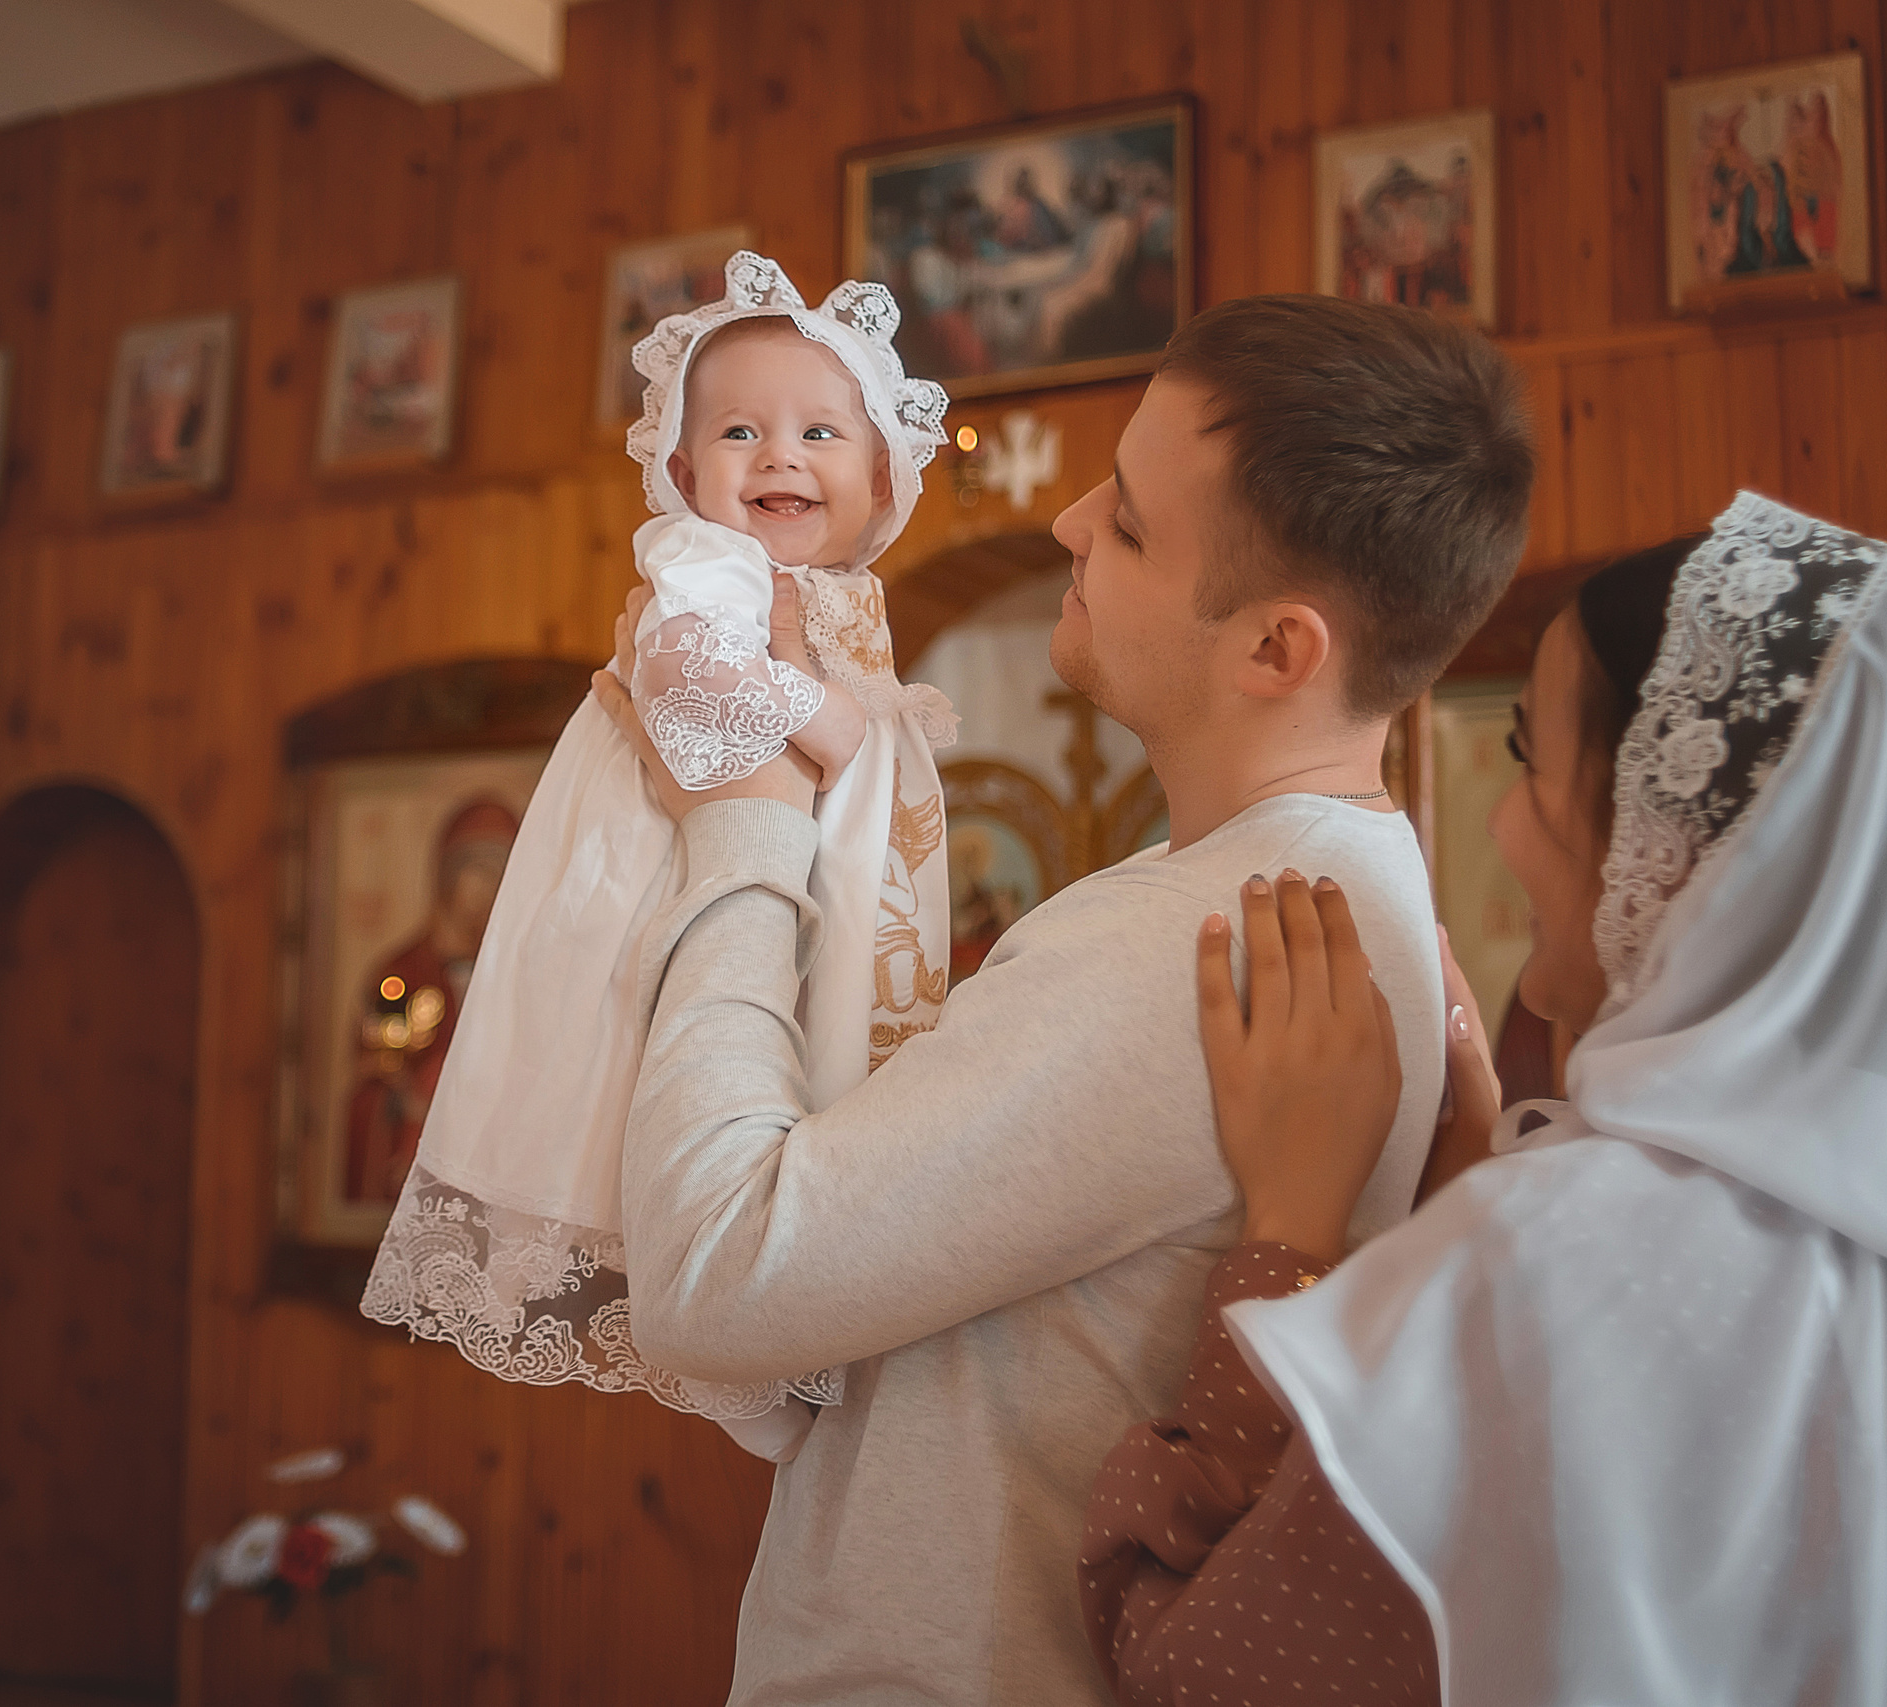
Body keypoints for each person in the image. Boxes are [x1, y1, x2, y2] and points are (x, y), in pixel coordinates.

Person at [589, 294, 1534, 1705]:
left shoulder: (1195, 941)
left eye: (1135, 522)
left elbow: (714, 1275)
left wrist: (741, 808)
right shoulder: (1293, 885)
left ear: (1278, 651)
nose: (1069, 521)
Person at [1088, 497, 1887, 1704]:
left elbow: (1204, 1676)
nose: (1500, 826)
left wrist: (1287, 1233)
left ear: (1670, 839)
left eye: (1530, 763)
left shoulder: (1561, 1260)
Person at [362, 252, 958, 1465]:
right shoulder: (713, 566)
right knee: (639, 1078)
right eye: (738, 430)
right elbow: (683, 670)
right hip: (668, 869)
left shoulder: (839, 594)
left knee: (805, 1074)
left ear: (885, 472)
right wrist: (835, 721)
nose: (780, 455)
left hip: (792, 873)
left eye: (818, 431)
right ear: (684, 476)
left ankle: (773, 1329)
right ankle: (724, 1351)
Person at [338, 795, 518, 1206]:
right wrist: (417, 1092)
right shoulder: (402, 974)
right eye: (477, 870)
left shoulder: (528, 980)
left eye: (502, 872)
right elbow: (375, 1066)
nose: (488, 889)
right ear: (446, 878)